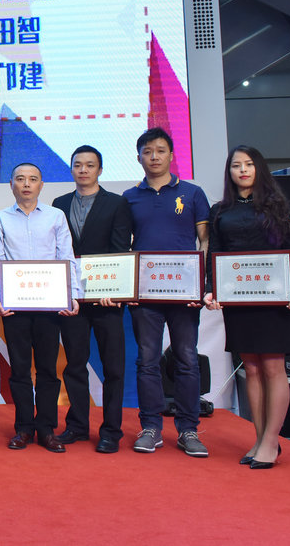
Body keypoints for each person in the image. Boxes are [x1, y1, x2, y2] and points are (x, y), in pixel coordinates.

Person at [203, 146, 290, 468]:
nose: (243, 170)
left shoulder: (280, 205)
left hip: (274, 298)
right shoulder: (220, 211)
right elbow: (215, 252)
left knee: (273, 367)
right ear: (229, 172)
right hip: (239, 299)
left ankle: (271, 442)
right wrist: (211, 289)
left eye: (248, 164)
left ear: (258, 168)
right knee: (251, 368)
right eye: (236, 165)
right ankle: (261, 439)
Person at [123, 127, 211, 457]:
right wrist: (128, 285)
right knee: (147, 360)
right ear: (139, 158)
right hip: (145, 295)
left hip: (184, 293)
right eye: (147, 151)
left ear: (172, 155)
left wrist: (200, 284)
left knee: (187, 359)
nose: (154, 156)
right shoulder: (129, 197)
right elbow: (124, 246)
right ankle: (150, 427)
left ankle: (189, 430)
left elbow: (204, 241)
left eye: (160, 150)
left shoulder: (192, 193)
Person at [51, 146, 133, 453]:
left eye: (89, 165)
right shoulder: (59, 204)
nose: (83, 170)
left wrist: (116, 289)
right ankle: (77, 426)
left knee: (113, 367)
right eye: (78, 165)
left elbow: (120, 249)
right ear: (71, 169)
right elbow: (58, 252)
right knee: (74, 364)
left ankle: (111, 431)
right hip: (73, 298)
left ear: (100, 169)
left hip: (107, 299)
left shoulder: (117, 203)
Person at [0, 162, 81, 453]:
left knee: (47, 369)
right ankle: (23, 428)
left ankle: (46, 428)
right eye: (20, 179)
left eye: (32, 179)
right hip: (15, 307)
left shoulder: (56, 216)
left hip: (49, 306)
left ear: (41, 185)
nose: (26, 184)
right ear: (11, 184)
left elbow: (66, 256)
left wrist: (72, 295)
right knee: (19, 370)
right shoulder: (0, 218)